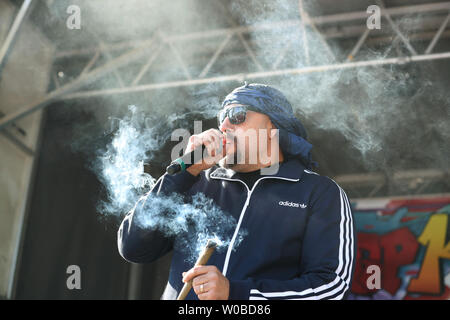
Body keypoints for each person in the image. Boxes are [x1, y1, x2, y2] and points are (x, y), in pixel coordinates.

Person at [117, 83, 356, 300]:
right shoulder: (195, 183)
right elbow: (133, 246)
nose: (223, 126)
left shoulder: (318, 193)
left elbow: (331, 287)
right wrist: (182, 175)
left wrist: (237, 294)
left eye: (237, 115)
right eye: (222, 117)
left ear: (273, 125)